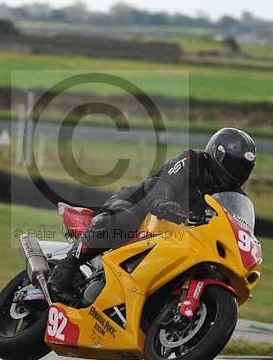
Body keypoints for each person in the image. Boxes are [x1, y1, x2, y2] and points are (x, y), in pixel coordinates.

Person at [48, 127, 258, 297]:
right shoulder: (192, 161)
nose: (238, 173)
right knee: (121, 219)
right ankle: (67, 266)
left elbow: (235, 225)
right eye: (234, 164)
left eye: (244, 168)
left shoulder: (234, 196)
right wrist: (162, 202)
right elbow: (167, 182)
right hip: (141, 205)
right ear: (217, 154)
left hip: (179, 235)